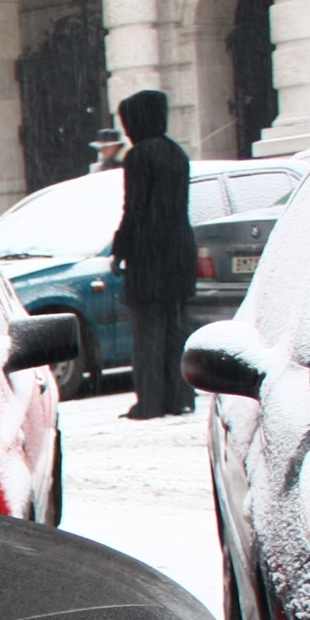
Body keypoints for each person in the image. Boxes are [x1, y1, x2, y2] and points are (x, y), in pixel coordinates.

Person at [107, 89, 198, 419]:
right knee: (176, 331)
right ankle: (179, 397)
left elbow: (135, 209)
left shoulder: (140, 156)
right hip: (179, 252)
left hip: (150, 255)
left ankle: (150, 400)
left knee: (148, 335)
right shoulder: (177, 153)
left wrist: (121, 248)